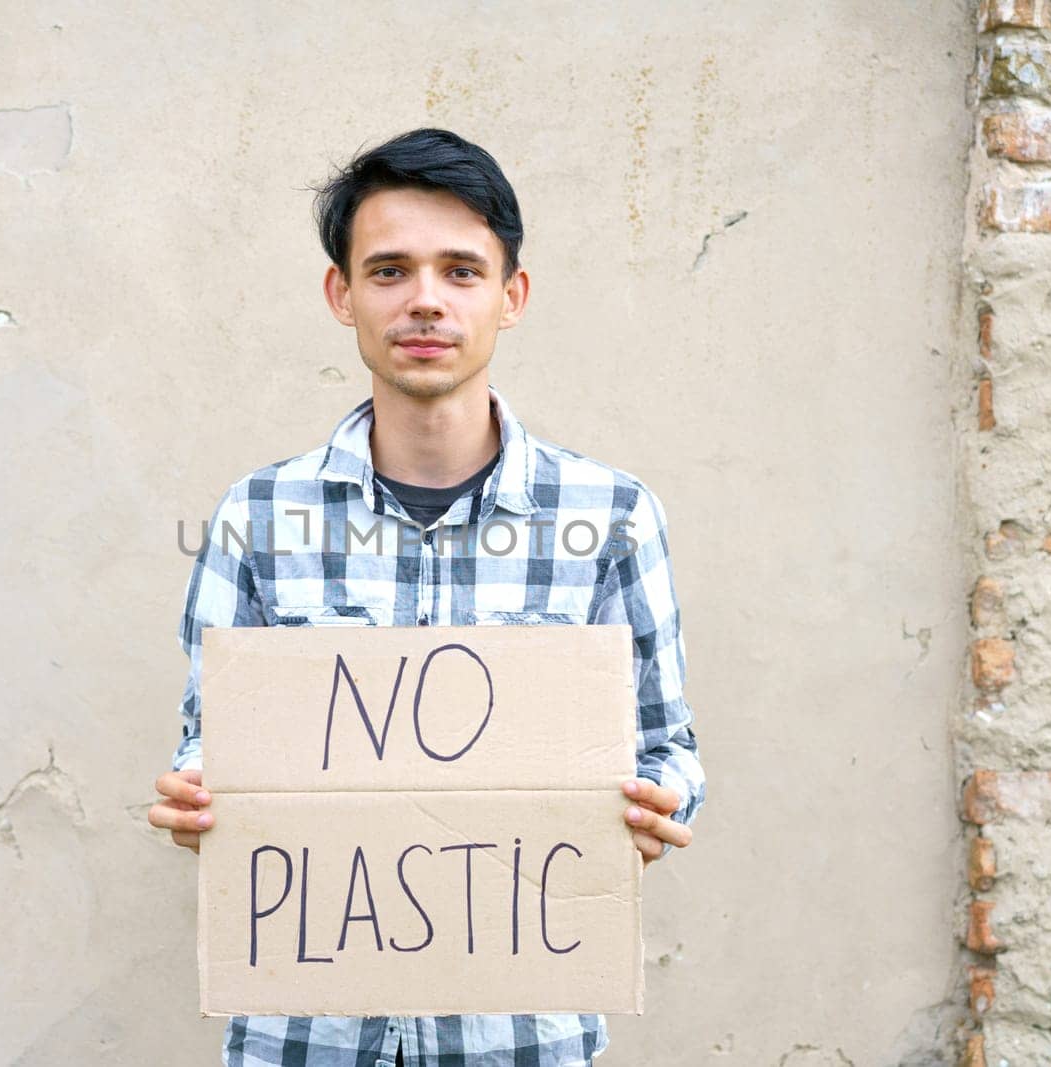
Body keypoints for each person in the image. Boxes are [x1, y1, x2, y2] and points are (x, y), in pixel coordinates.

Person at [148, 127, 706, 1067]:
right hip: (308, 1038)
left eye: (460, 271)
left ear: (510, 296)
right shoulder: (255, 517)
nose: (425, 302)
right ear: (342, 294)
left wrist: (661, 802)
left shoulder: (612, 516)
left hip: (523, 1038)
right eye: (389, 270)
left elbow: (668, 748)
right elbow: (210, 743)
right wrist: (200, 798)